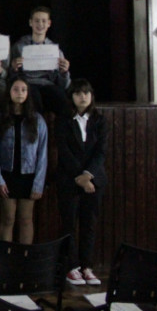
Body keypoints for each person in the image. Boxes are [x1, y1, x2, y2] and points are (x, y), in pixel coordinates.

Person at [57, 79, 107, 287]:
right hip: (70, 179)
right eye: (78, 93)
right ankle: (71, 266)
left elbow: (101, 151)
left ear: (91, 96)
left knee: (89, 224)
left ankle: (87, 266)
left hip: (94, 180)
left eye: (86, 93)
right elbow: (64, 150)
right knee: (69, 223)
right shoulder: (63, 120)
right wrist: (79, 176)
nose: (82, 97)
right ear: (72, 97)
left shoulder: (100, 120)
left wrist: (88, 176)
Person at [0, 77, 48, 245]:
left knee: (26, 220)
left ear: (28, 93)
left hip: (29, 176)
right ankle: (7, 262)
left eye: (23, 90)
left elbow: (42, 154)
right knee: (7, 219)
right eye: (16, 89)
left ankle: (24, 262)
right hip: (7, 176)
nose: (20, 93)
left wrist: (38, 184)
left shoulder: (38, 120)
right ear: (9, 92)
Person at [10, 6, 72, 116]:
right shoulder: (19, 46)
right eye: (37, 21)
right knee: (35, 99)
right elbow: (11, 77)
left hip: (48, 85)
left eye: (44, 21)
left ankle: (62, 133)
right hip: (28, 84)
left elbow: (64, 85)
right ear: (30, 23)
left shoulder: (55, 50)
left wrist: (64, 72)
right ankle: (37, 132)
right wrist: (14, 68)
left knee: (64, 101)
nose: (40, 24)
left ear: (49, 23)